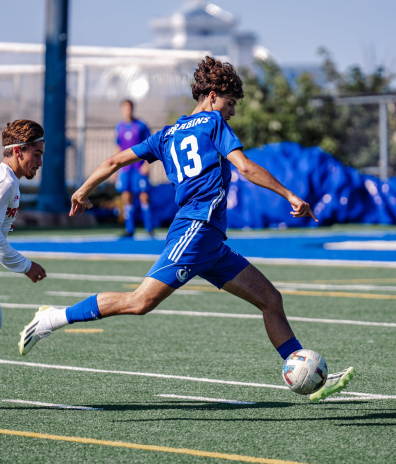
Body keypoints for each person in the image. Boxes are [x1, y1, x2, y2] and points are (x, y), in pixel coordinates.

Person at [18, 58, 354, 402]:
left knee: (271, 299)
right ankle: (52, 318)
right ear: (212, 96)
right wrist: (290, 194)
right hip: (194, 232)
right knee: (139, 302)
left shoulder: (165, 135)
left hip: (210, 241)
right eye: (230, 103)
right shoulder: (213, 124)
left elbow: (113, 162)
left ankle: (305, 373)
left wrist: (83, 189)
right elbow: (245, 167)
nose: (232, 112)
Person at [1, 119, 47, 330]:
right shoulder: (6, 183)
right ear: (18, 151)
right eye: (36, 155)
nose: (40, 162)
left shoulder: (11, 180)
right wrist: (26, 266)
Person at [115, 99, 153, 236]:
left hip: (138, 167)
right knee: (126, 197)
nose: (127, 110)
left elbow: (150, 146)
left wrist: (147, 164)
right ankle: (129, 229)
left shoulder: (141, 126)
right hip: (126, 169)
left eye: (129, 108)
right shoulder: (119, 127)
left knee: (144, 197)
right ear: (122, 110)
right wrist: (115, 168)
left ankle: (149, 228)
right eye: (125, 108)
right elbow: (118, 147)